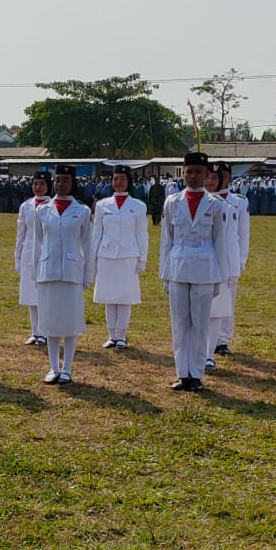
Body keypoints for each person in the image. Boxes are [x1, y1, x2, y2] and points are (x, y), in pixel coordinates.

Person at [158, 152, 230, 391]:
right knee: (179, 324)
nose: (193, 176)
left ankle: (196, 374)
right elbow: (166, 241)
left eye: (198, 172)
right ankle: (182, 373)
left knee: (200, 324)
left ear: (207, 175)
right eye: (189, 171)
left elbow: (220, 242)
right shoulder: (172, 202)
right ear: (183, 173)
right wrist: (164, 273)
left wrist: (220, 278)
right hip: (178, 267)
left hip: (205, 268)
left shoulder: (216, 205)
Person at [32, 164, 96, 384]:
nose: (61, 184)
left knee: (70, 322)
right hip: (48, 271)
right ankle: (53, 367)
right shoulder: (42, 210)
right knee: (49, 321)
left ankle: (67, 367)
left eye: (65, 181)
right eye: (57, 180)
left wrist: (88, 276)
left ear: (73, 183)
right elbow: (39, 243)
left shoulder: (83, 211)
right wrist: (35, 272)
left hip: (71, 272)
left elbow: (88, 246)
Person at [92, 165, 147, 350]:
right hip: (106, 254)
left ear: (128, 181)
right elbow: (96, 233)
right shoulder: (102, 205)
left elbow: (142, 235)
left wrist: (142, 259)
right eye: (116, 179)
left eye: (123, 179)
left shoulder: (138, 206)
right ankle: (111, 335)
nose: (119, 182)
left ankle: (122, 335)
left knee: (124, 297)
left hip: (128, 255)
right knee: (109, 297)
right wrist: (93, 258)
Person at [205, 162, 248, 369]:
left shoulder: (238, 202)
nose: (215, 180)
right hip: (209, 260)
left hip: (230, 259)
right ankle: (210, 342)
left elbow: (243, 235)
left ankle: (223, 339)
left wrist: (240, 261)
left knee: (227, 301)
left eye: (221, 176)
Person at [14, 169, 52, 347]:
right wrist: (18, 257)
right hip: (28, 254)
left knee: (44, 297)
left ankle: (45, 332)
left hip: (46, 255)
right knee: (31, 297)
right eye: (35, 184)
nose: (38, 187)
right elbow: (21, 234)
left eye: (42, 184)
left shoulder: (52, 205)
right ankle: (35, 332)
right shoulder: (26, 206)